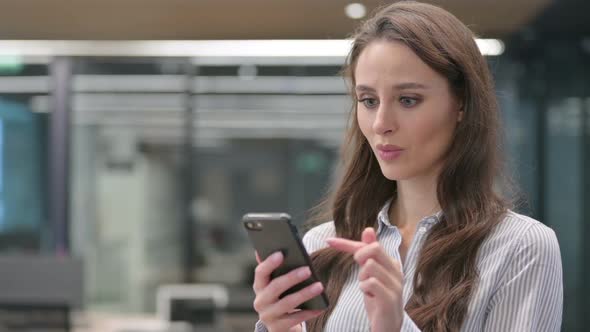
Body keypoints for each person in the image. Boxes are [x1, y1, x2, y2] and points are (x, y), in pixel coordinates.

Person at [251, 1, 563, 331]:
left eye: (408, 100)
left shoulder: (520, 246)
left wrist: (396, 326)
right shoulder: (324, 246)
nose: (381, 123)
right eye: (369, 101)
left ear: (462, 104)